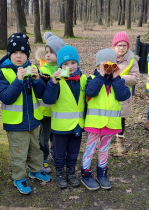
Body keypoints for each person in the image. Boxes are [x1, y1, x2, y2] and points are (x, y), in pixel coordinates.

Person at [0, 32, 51, 195]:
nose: (19, 56)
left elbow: (41, 93)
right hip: (15, 124)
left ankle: (35, 170)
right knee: (18, 153)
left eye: (22, 53)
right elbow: (5, 97)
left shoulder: (33, 69)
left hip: (34, 120)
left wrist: (36, 79)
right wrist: (18, 81)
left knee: (36, 149)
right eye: (15, 53)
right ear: (9, 54)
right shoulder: (3, 73)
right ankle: (19, 177)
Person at [81, 49, 131, 191]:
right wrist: (101, 75)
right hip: (94, 124)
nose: (108, 68)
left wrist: (116, 77)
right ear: (98, 66)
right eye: (105, 65)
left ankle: (102, 173)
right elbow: (90, 91)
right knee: (90, 149)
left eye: (111, 65)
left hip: (111, 124)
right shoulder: (92, 78)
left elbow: (123, 96)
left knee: (104, 149)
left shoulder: (118, 81)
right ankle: (86, 173)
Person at [42, 45, 86, 189]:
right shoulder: (57, 80)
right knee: (59, 152)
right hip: (60, 127)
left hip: (77, 125)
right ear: (60, 65)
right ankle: (60, 173)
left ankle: (71, 172)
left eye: (73, 63)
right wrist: (53, 82)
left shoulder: (83, 79)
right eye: (66, 64)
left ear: (78, 63)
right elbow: (48, 100)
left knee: (73, 151)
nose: (70, 67)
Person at [38, 34, 65, 173]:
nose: (48, 55)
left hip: (59, 111)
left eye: (52, 52)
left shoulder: (65, 69)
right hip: (45, 112)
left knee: (56, 135)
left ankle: (55, 154)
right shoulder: (43, 70)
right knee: (44, 136)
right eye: (46, 52)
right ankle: (43, 158)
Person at [111, 31, 139, 154]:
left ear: (127, 47)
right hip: (108, 94)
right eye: (119, 45)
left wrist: (121, 78)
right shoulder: (108, 58)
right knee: (108, 116)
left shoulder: (132, 60)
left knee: (121, 119)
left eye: (124, 45)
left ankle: (120, 140)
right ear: (114, 47)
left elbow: (135, 78)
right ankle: (105, 137)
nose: (121, 48)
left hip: (122, 95)